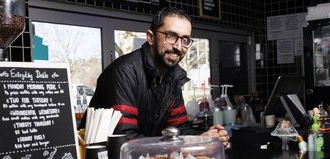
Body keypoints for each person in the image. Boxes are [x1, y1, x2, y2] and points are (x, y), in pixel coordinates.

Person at [80, 7, 229, 147]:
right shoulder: (124, 72)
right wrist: (182, 145)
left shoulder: (174, 77)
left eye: (185, 40)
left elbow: (178, 129)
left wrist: (204, 138)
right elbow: (125, 138)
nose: (178, 47)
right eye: (171, 36)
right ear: (151, 37)